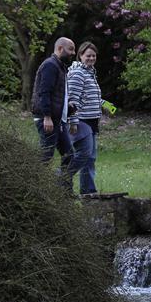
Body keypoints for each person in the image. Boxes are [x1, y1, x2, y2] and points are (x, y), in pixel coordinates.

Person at [31, 37, 87, 191]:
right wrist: (47, 116)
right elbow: (44, 92)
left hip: (57, 120)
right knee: (45, 156)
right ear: (60, 48)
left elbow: (57, 95)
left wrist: (68, 107)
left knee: (68, 155)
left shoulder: (60, 66)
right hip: (48, 119)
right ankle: (34, 187)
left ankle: (64, 191)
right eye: (71, 49)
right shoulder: (50, 65)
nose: (73, 53)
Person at [67, 41, 113, 195]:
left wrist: (104, 104)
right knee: (83, 154)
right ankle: (60, 178)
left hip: (92, 121)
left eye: (93, 56)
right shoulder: (78, 73)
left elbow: (89, 96)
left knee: (90, 158)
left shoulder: (90, 72)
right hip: (81, 121)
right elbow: (72, 100)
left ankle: (88, 191)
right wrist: (73, 121)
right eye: (88, 55)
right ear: (80, 56)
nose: (91, 58)